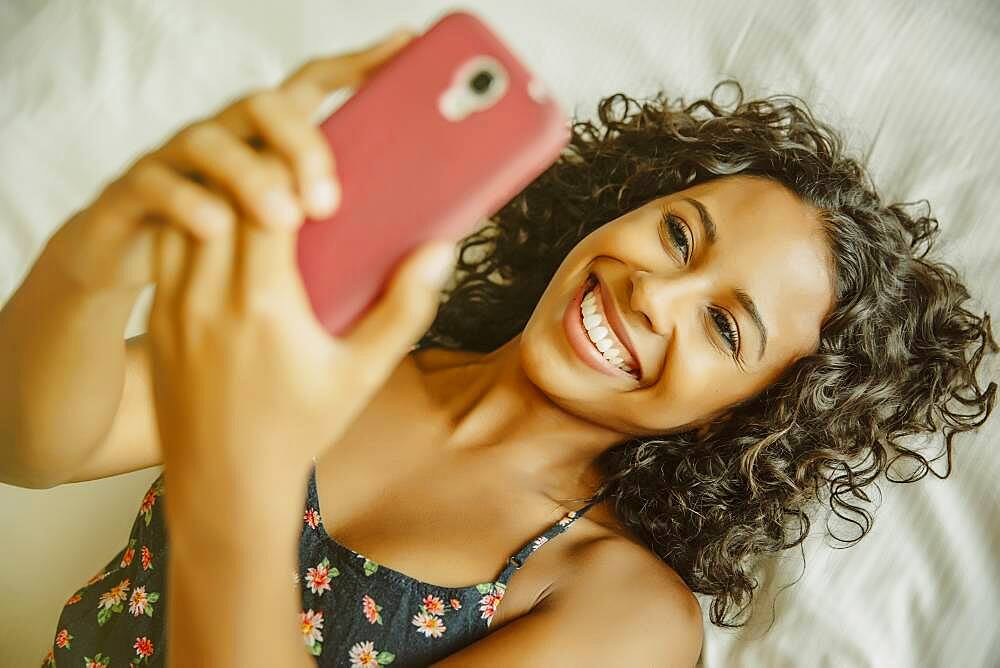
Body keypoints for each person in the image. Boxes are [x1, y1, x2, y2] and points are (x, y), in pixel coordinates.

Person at [3, 22, 995, 667]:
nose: (656, 290)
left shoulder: (622, 610)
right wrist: (103, 246)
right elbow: (32, 443)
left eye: (724, 325)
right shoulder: (357, 338)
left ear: (754, 415)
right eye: (679, 233)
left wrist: (242, 480)